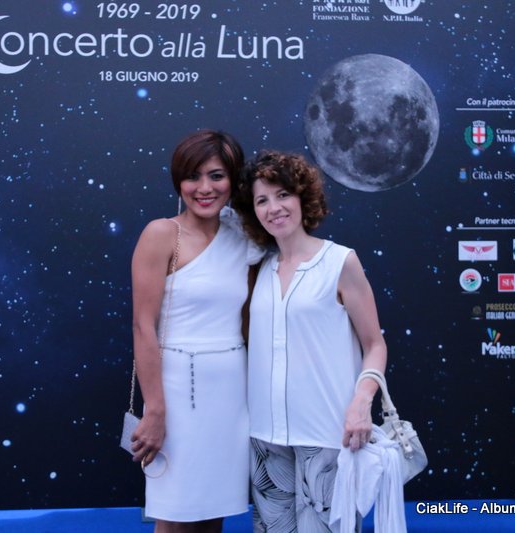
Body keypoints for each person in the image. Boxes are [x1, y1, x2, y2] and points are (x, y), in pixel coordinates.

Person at [233, 150, 389, 532]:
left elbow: (375, 344)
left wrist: (361, 403)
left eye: (283, 194)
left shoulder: (340, 262)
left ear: (303, 197)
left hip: (328, 435)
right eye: (262, 200)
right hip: (266, 438)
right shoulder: (256, 270)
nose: (274, 208)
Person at [129, 130, 261, 532]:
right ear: (178, 181)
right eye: (193, 176)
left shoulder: (245, 237)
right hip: (175, 393)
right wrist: (155, 410)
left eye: (217, 176)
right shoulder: (161, 234)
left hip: (232, 394)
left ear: (234, 180)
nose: (205, 188)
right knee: (175, 514)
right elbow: (143, 326)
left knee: (212, 513)